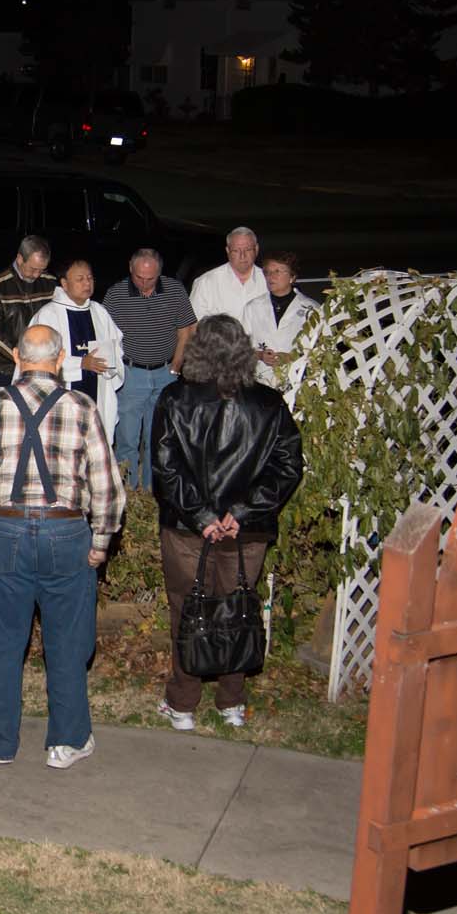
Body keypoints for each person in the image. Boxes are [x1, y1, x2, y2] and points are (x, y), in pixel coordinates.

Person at [0, 324, 126, 769]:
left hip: (5, 531)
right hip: (65, 532)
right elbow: (107, 488)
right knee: (66, 640)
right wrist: (101, 541)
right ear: (61, 357)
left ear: (17, 356)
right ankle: (67, 741)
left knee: (4, 640)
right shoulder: (81, 406)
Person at [152, 314, 304, 731]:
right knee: (238, 607)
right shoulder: (268, 403)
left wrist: (203, 515)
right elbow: (288, 467)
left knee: (187, 610)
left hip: (188, 529)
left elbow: (166, 468)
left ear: (198, 349)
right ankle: (231, 702)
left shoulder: (175, 399)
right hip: (244, 532)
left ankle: (183, 703)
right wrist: (242, 512)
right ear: (242, 351)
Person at [102, 249, 197, 489]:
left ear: (160, 273)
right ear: (130, 269)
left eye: (150, 278)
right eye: (139, 277)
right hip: (131, 374)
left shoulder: (175, 290)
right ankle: (128, 490)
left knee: (158, 438)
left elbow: (187, 330)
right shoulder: (115, 295)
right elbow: (105, 336)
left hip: (166, 373)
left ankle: (152, 491)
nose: (144, 284)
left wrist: (176, 367)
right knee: (127, 438)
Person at [32, 259, 125, 446]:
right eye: (80, 279)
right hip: (61, 398)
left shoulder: (99, 312)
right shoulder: (48, 315)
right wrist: (80, 363)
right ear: (64, 284)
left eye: (90, 278)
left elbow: (116, 348)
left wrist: (109, 365)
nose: (87, 283)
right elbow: (38, 359)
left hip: (98, 393)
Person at [0, 235, 58, 390]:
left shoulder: (50, 283)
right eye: (33, 269)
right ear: (20, 259)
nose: (37, 275)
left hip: (43, 363)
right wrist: (22, 358)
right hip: (5, 367)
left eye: (41, 270)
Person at [243, 251, 318, 389]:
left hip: (298, 383)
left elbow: (319, 348)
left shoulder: (311, 308)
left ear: (292, 277)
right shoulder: (252, 307)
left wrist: (292, 357)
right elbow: (242, 348)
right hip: (262, 382)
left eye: (277, 271)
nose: (271, 276)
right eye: (267, 272)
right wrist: (260, 355)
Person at [190, 226, 268, 330]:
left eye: (248, 249)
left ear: (256, 249)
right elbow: (194, 326)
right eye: (236, 251)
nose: (242, 256)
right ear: (228, 250)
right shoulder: (206, 282)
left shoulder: (269, 281)